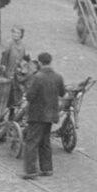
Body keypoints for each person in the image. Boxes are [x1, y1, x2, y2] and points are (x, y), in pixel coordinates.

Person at [20, 51, 64, 179]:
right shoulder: (58, 77)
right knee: (45, 141)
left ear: (39, 62)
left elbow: (30, 96)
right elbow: (62, 93)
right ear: (50, 62)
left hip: (37, 114)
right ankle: (47, 169)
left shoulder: (37, 77)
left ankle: (31, 171)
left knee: (31, 142)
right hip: (51, 115)